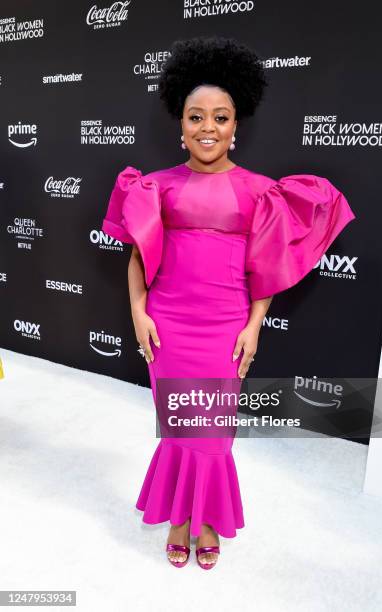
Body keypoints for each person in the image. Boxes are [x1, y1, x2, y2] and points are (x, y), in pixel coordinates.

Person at [101, 35, 356, 570]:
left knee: (212, 434)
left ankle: (208, 520)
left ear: (236, 126)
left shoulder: (260, 191)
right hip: (168, 323)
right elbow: (136, 259)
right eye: (197, 116)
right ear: (181, 124)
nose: (208, 127)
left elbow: (264, 267)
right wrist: (138, 312)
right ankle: (177, 518)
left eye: (220, 116)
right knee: (177, 426)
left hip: (225, 325)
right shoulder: (156, 187)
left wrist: (255, 324)